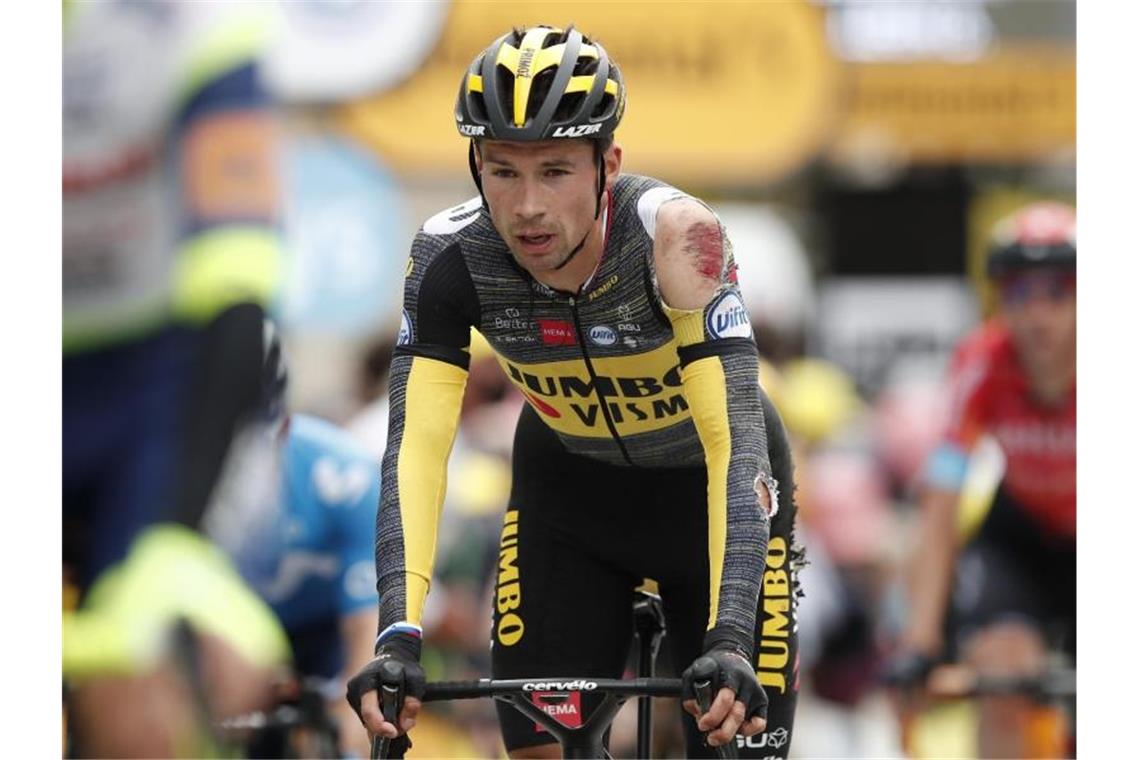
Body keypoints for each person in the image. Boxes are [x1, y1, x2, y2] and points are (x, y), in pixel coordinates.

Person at [346, 25, 802, 759]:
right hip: (569, 491)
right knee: (539, 750)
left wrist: (729, 637)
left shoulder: (678, 239)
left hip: (708, 498)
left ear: (606, 165)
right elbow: (416, 450)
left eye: (555, 171)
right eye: (503, 171)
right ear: (476, 165)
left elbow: (735, 443)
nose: (527, 205)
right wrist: (397, 633)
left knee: (732, 739)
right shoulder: (449, 256)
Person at [62, 2, 290, 754]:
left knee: (140, 676)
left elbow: (238, 273)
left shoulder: (200, 24)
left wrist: (177, 535)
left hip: (156, 384)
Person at [890, 201, 1076, 758]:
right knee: (1001, 676)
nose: (1037, 314)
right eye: (1018, 292)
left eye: (1058, 292)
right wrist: (921, 639)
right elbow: (942, 499)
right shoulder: (982, 361)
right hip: (1020, 535)